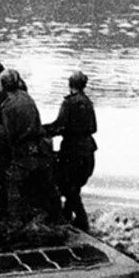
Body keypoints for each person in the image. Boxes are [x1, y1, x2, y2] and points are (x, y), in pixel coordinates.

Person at [0, 70, 60, 224]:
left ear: (2, 86)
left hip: (24, 152)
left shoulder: (8, 106)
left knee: (12, 186)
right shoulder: (26, 96)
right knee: (46, 187)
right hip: (40, 149)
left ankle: (15, 223)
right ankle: (56, 219)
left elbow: (10, 136)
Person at [44, 71, 97, 231]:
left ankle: (82, 222)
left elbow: (60, 126)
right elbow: (94, 128)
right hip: (88, 150)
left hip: (73, 152)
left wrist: (42, 130)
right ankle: (66, 217)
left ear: (70, 84)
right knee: (74, 187)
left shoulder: (69, 103)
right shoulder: (88, 103)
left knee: (67, 187)